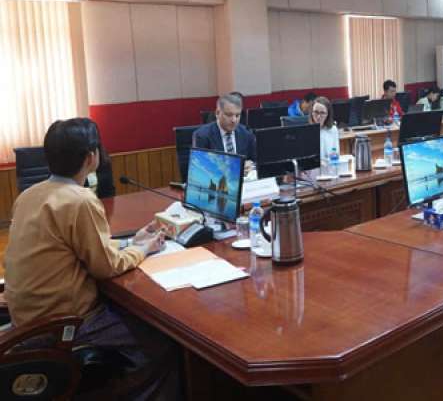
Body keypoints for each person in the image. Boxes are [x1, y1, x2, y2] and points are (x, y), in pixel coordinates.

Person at [4, 118, 178, 399]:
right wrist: (144, 249)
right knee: (165, 340)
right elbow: (106, 267)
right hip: (62, 325)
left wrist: (130, 243)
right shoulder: (80, 200)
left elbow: (73, 247)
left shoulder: (30, 195)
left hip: (25, 318)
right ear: (90, 157)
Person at [192, 93, 257, 166]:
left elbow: (254, 161)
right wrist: (237, 167)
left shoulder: (246, 134)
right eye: (229, 115)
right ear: (217, 113)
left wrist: (251, 166)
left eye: (237, 115)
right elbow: (200, 167)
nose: (234, 120)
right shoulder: (202, 136)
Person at [310, 96, 339, 161]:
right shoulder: (307, 132)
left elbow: (336, 154)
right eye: (316, 112)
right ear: (311, 113)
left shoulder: (333, 130)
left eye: (322, 113)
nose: (318, 117)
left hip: (329, 165)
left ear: (328, 114)